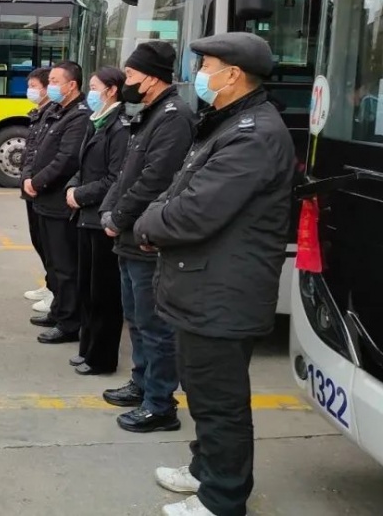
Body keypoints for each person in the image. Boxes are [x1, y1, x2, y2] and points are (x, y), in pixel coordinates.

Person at [135, 33, 296, 516]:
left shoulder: (253, 135)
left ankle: (221, 499)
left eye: (206, 65)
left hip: (223, 293)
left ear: (233, 75)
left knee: (220, 402)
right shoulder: (227, 123)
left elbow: (194, 212)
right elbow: (178, 190)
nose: (198, 74)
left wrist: (147, 225)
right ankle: (205, 468)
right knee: (204, 393)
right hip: (203, 287)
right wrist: (156, 215)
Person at [97, 41, 196, 433]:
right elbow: (126, 174)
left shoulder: (174, 117)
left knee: (155, 326)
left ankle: (160, 404)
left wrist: (119, 217)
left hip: (145, 238)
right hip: (128, 236)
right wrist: (109, 209)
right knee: (136, 320)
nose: (127, 81)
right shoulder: (151, 113)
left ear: (152, 78)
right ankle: (141, 384)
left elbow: (155, 179)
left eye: (132, 74)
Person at [65, 67, 130, 375]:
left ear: (111, 90)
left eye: (94, 87)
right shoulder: (97, 121)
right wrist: (72, 188)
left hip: (100, 217)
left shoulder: (119, 128)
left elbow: (115, 178)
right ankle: (87, 350)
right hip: (85, 217)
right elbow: (83, 166)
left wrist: (80, 195)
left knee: (104, 293)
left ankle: (102, 358)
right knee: (87, 289)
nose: (90, 93)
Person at [26, 61, 92, 344]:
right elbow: (35, 147)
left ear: (71, 85)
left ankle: (69, 322)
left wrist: (37, 181)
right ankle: (58, 310)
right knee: (53, 261)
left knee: (66, 266)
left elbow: (66, 159)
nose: (50, 86)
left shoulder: (79, 116)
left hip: (58, 201)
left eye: (54, 81)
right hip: (43, 199)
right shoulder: (56, 110)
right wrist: (27, 176)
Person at [19, 67, 55, 311]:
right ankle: (50, 284)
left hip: (43, 188)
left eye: (34, 86)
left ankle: (55, 291)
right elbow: (31, 152)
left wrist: (35, 181)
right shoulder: (40, 113)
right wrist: (25, 177)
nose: (30, 91)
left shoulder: (54, 114)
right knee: (39, 240)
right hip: (31, 184)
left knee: (50, 245)